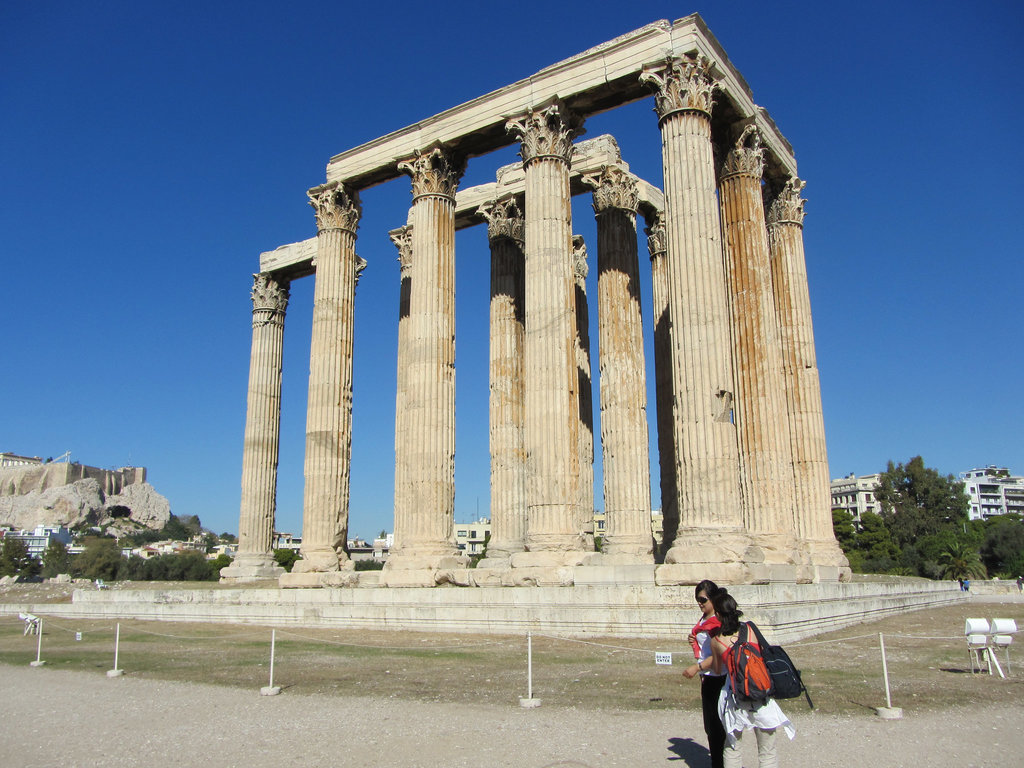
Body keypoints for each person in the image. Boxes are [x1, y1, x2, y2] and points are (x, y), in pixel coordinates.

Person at [710, 590, 795, 768]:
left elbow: (718, 670)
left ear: (717, 614)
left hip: (735, 697)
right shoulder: (749, 629)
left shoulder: (717, 641)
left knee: (733, 747)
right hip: (760, 693)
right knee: (767, 751)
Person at [682, 580, 727, 768]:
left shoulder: (716, 621)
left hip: (719, 677)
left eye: (702, 599)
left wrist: (697, 667)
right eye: (697, 599)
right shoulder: (703, 619)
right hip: (708, 678)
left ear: (713, 599)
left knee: (718, 728)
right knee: (711, 727)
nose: (699, 603)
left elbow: (721, 652)